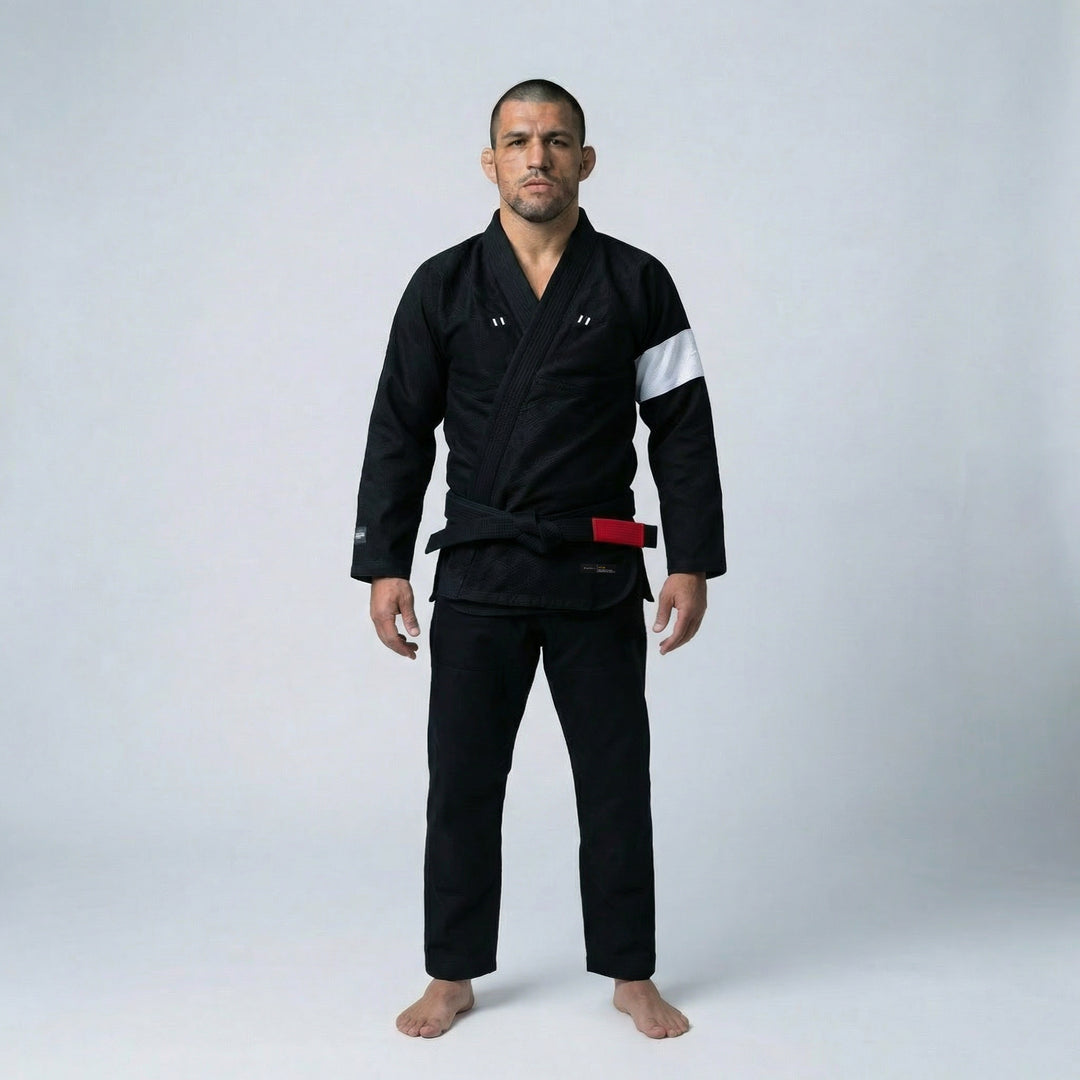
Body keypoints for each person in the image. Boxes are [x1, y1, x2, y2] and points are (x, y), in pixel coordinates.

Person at [351, 79, 725, 1039]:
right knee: (463, 783)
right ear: (490, 162)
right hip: (479, 567)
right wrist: (384, 562)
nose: (537, 157)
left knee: (615, 781)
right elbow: (399, 429)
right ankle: (452, 973)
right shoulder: (442, 285)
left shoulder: (637, 281)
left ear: (585, 160)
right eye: (518, 140)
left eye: (557, 140)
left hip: (596, 568)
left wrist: (691, 559)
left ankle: (631, 972)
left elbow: (681, 429)